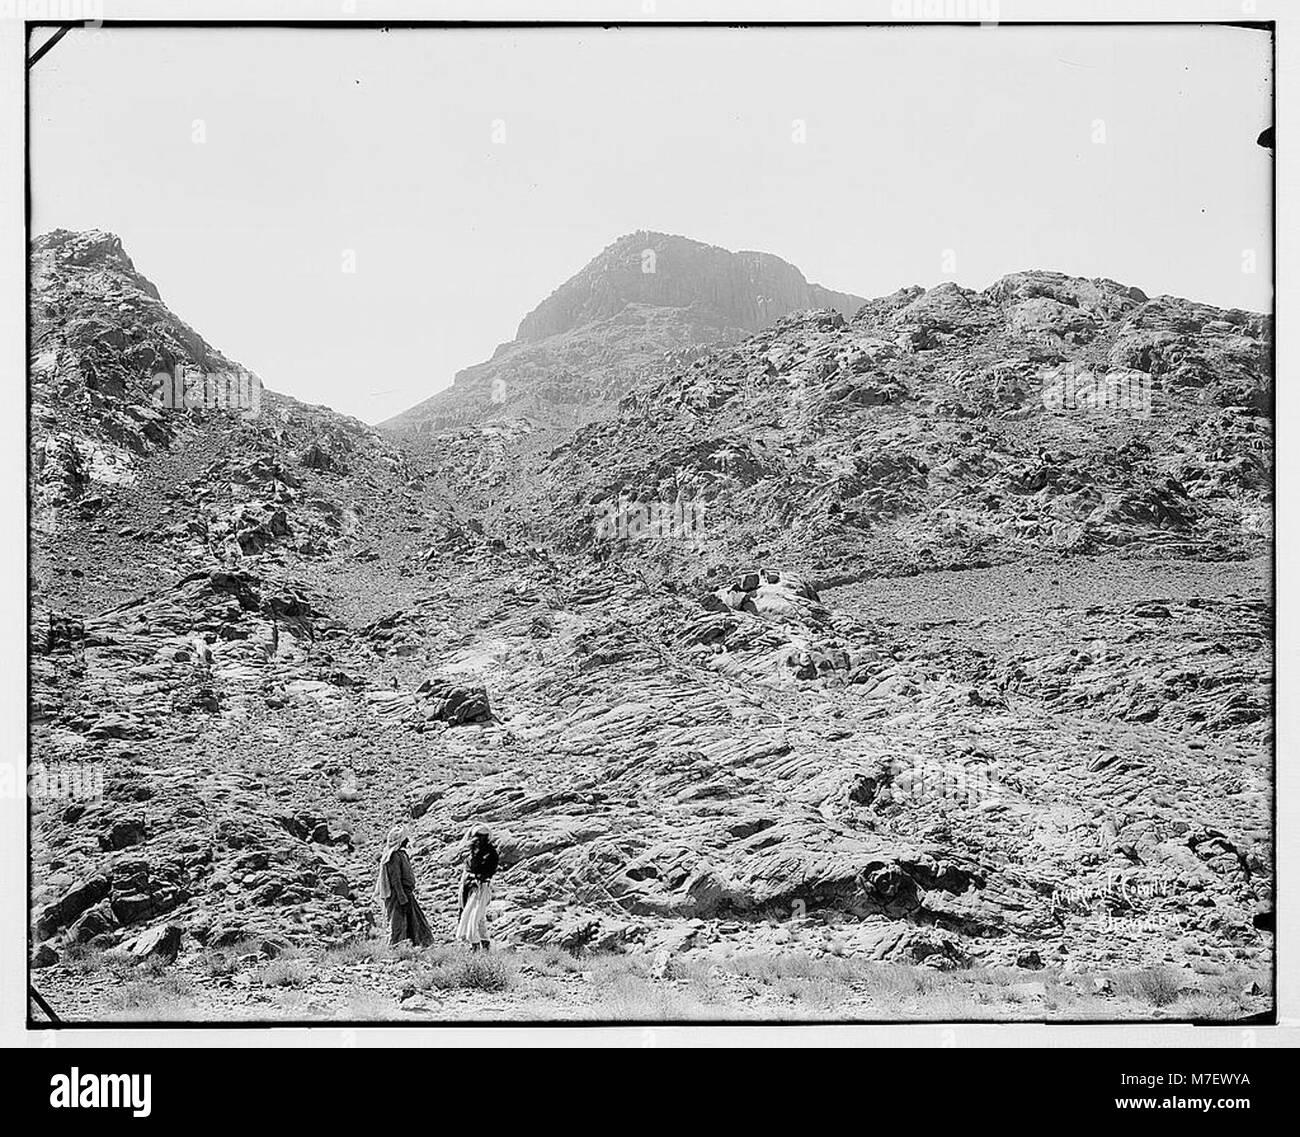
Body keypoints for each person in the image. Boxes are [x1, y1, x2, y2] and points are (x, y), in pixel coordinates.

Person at [375, 824, 433, 947]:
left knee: (414, 922)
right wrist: (402, 897)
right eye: (405, 839)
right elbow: (395, 879)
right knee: (398, 923)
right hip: (398, 895)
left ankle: (414, 947)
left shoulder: (401, 854)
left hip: (406, 894)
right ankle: (395, 948)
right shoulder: (393, 857)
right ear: (400, 840)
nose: (408, 841)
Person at [455, 824, 500, 951]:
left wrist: (475, 876)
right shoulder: (473, 852)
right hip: (470, 888)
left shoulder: (490, 854)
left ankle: (474, 945)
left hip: (481, 888)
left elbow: (486, 872)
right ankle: (485, 945)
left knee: (473, 918)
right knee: (478, 919)